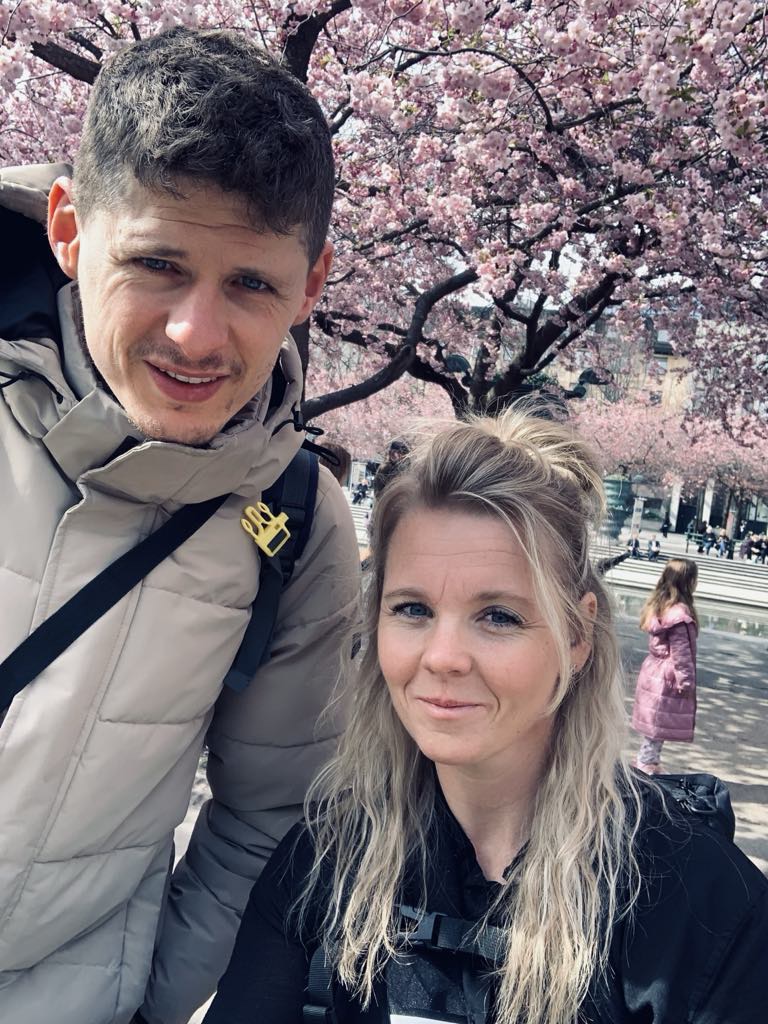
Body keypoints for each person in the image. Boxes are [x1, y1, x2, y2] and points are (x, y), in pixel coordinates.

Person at [0, 27, 361, 1024]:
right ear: (69, 230)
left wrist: (144, 1002)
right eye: (157, 264)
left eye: (252, 284)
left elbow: (269, 815)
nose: (196, 335)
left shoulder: (297, 525)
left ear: (311, 284)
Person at [206, 410, 768, 1024]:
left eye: (499, 616)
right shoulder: (322, 861)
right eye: (413, 609)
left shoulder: (707, 910)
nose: (442, 657)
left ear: (577, 635)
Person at [631, 560, 699, 775]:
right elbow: (681, 653)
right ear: (689, 582)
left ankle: (650, 758)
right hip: (667, 676)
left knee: (656, 720)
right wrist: (686, 681)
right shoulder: (678, 614)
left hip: (653, 671)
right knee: (658, 722)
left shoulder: (659, 606)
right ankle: (646, 761)